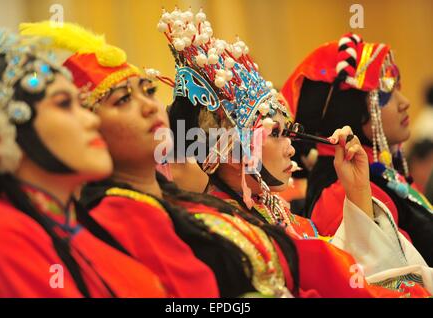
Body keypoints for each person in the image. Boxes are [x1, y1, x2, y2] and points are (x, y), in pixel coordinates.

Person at [20, 21, 301, 298]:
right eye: (122, 100)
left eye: (149, 90)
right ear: (88, 127)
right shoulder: (115, 219)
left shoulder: (180, 205)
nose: (148, 105)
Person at [162, 10, 433, 297]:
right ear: (230, 148)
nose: (291, 148)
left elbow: (342, 273)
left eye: (287, 133)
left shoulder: (277, 214)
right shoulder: (222, 232)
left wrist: (358, 192)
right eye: (275, 134)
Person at [0, 27, 166, 297]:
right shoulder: (6, 234)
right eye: (64, 104)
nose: (91, 120)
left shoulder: (76, 229)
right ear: (11, 130)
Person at [282, 33, 433, 266]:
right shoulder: (343, 191)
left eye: (398, 89)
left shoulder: (378, 170)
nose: (404, 102)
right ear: (348, 111)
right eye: (385, 94)